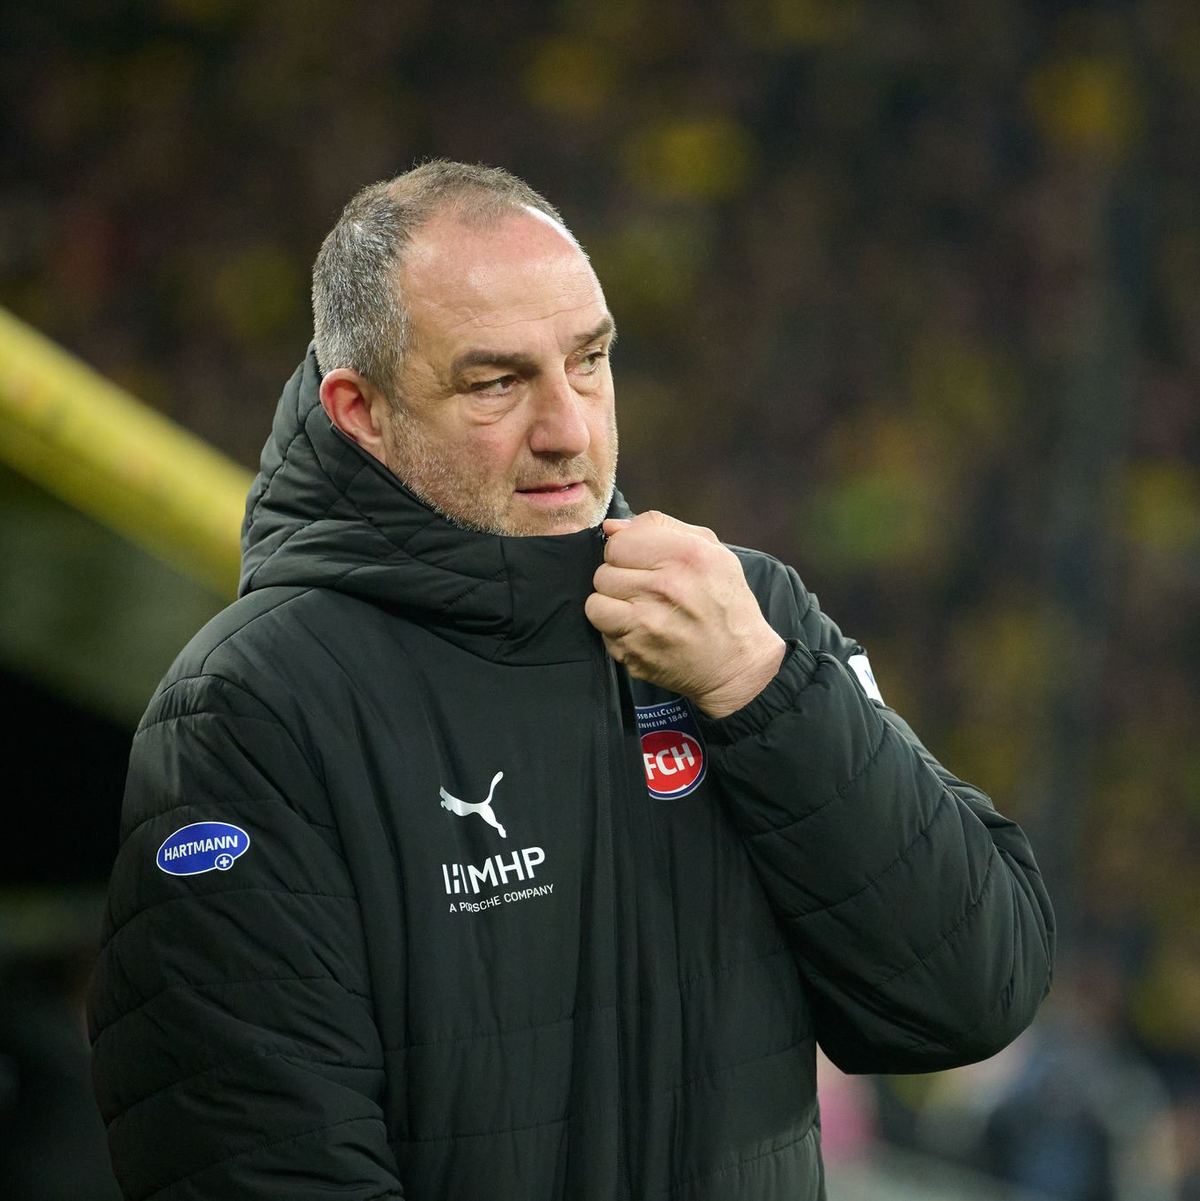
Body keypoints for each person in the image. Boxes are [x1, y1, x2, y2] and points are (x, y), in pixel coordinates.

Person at [87, 160, 1054, 1200]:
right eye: (496, 382)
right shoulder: (253, 706)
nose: (569, 430)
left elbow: (968, 993)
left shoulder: (738, 617)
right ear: (360, 409)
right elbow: (259, 1166)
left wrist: (767, 692)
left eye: (589, 361)